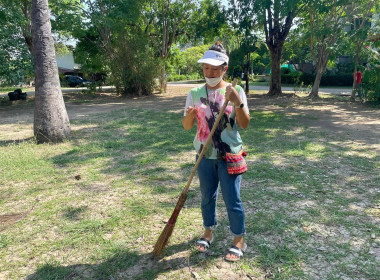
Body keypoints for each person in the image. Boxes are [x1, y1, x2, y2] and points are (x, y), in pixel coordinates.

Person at [182, 42, 250, 262]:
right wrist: (190, 116)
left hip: (228, 155)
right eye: (205, 68)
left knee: (232, 199)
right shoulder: (195, 93)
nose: (209, 73)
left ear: (225, 68)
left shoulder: (235, 90)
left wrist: (237, 102)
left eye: (214, 68)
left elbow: (245, 124)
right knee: (207, 197)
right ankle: (208, 231)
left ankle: (239, 239)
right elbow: (186, 126)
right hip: (204, 155)